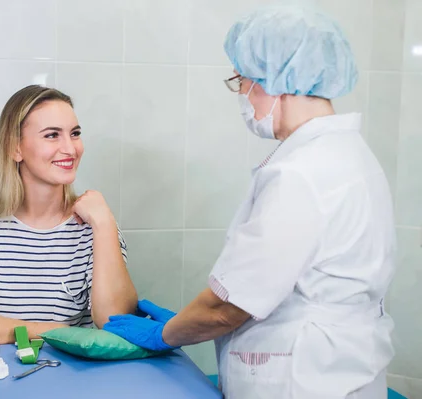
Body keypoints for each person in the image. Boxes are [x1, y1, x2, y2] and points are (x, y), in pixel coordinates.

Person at [104, 6, 395, 399]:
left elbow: (228, 308)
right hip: (345, 370)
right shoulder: (351, 153)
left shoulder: (301, 172)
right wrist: (187, 323)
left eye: (241, 80)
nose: (241, 94)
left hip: (302, 380)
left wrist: (165, 334)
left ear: (275, 79)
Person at [0, 85, 138, 344]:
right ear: (15, 148)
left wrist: (105, 225)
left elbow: (117, 322)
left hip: (73, 377)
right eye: (52, 135)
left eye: (75, 133)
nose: (70, 149)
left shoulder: (94, 224)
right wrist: (55, 331)